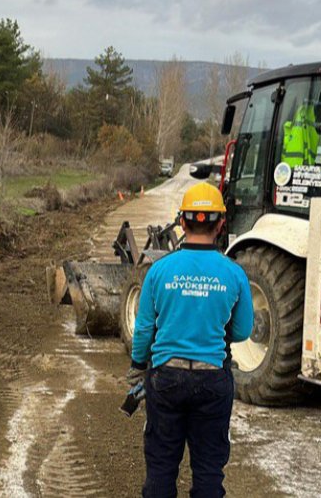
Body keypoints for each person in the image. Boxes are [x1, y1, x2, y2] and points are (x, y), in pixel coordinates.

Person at [127, 182, 254, 498]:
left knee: (160, 468)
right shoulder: (234, 274)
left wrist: (137, 363)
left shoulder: (159, 270)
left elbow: (144, 329)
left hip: (165, 379)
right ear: (221, 224)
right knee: (209, 470)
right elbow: (241, 332)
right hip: (213, 381)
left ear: (182, 222)